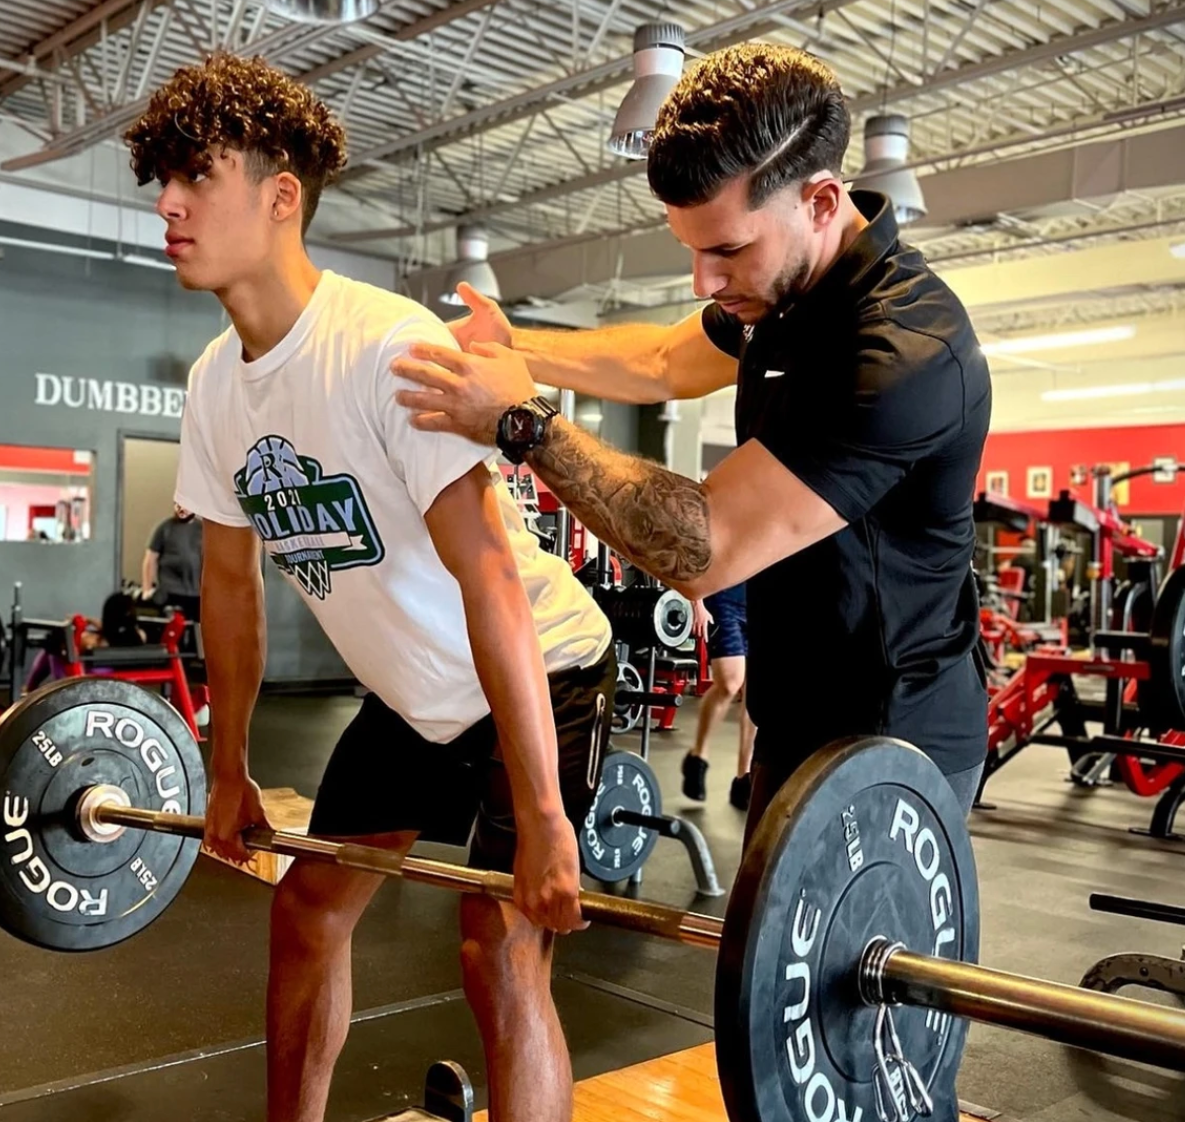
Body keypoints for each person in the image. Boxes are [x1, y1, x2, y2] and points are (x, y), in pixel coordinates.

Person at [123, 54, 615, 1122]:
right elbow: (231, 590)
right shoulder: (216, 384)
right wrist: (227, 770)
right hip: (412, 701)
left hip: (539, 670)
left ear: (279, 195)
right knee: (306, 914)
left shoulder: (388, 344)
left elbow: (486, 571)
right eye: (160, 181)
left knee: (497, 945)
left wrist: (541, 816)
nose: (167, 204)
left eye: (195, 178)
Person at [392, 42, 992, 843]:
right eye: (691, 249)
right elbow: (662, 361)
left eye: (728, 250)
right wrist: (514, 349)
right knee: (763, 973)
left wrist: (522, 422)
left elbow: (706, 548)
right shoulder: (783, 295)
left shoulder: (901, 352)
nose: (703, 281)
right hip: (798, 719)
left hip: (897, 738)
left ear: (819, 202)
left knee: (857, 975)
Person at [684, 583, 756, 810]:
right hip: (722, 599)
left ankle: (743, 778)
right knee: (729, 683)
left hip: (759, 602)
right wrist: (697, 602)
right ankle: (698, 756)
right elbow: (698, 556)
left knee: (755, 690)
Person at [142, 502, 204, 620]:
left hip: (197, 594)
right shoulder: (164, 528)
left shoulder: (202, 529)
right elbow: (150, 559)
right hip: (170, 593)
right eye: (178, 505)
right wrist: (147, 589)